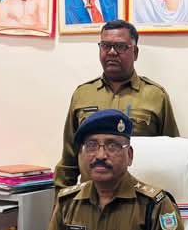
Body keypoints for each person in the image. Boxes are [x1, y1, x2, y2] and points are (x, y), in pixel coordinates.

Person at [35, 109, 186, 230]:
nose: (100, 155)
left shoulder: (156, 206)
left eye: (112, 146)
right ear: (82, 154)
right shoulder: (67, 203)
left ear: (129, 155)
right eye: (91, 145)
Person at [54, 19, 180, 189]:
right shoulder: (82, 95)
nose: (112, 52)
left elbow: (173, 156)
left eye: (120, 46)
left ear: (135, 52)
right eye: (105, 46)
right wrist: (62, 201)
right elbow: (69, 160)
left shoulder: (156, 96)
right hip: (90, 199)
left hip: (138, 199)